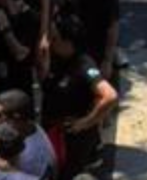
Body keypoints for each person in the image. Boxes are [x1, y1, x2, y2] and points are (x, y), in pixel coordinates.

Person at [38, 15, 117, 179]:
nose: (49, 41)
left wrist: (85, 122)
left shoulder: (83, 64)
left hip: (72, 140)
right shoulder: (54, 57)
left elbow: (110, 96)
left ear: (68, 42)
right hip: (50, 132)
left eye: (54, 38)